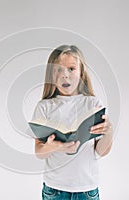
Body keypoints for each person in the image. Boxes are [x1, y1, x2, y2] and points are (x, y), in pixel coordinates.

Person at [31, 45, 113, 200]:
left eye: (71, 69)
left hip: (87, 190)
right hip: (55, 190)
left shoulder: (93, 104)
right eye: (58, 70)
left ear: (81, 73)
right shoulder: (44, 107)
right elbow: (39, 153)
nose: (65, 75)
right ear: (51, 75)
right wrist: (57, 146)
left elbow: (101, 151)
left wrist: (109, 133)